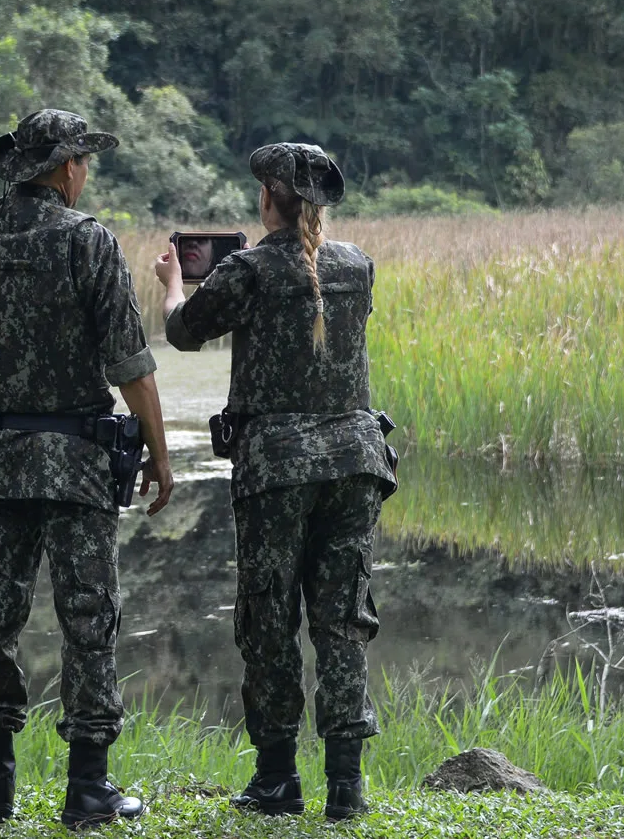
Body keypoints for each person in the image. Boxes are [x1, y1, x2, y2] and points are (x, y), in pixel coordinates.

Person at [0, 108, 176, 830]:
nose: (85, 174)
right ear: (65, 169)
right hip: (79, 465)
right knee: (88, 619)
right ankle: (88, 790)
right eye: (83, 162)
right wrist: (159, 451)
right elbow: (132, 367)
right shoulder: (87, 240)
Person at [153, 143, 396, 821]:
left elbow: (182, 332)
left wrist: (174, 281)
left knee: (268, 618)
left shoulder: (246, 269)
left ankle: (277, 780)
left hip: (277, 470)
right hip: (355, 462)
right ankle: (346, 787)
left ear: (268, 198)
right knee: (343, 617)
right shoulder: (358, 266)